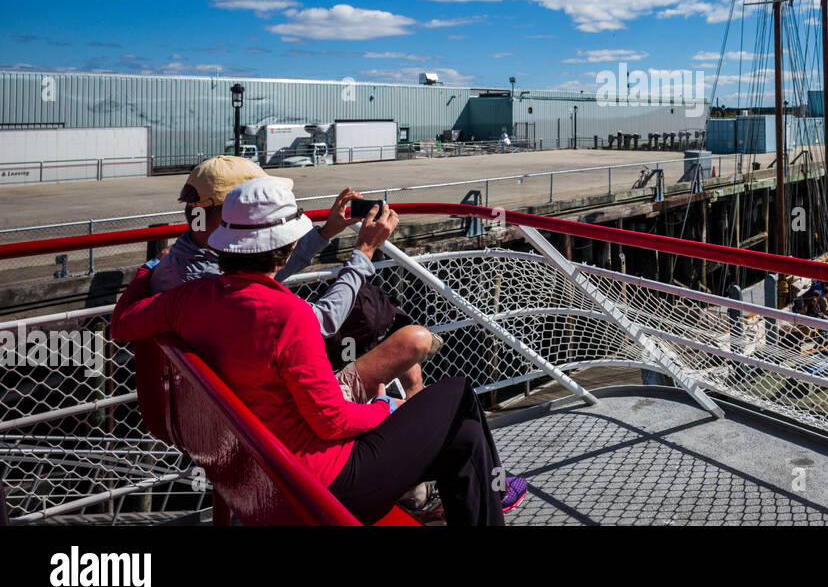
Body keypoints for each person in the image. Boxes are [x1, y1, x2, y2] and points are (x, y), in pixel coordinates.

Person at [112, 177, 525, 525]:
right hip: (321, 486)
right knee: (458, 395)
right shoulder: (288, 315)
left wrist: (147, 271)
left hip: (252, 473)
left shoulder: (191, 298)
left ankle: (488, 488)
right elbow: (330, 421)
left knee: (467, 437)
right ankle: (492, 487)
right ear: (288, 247)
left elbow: (123, 322)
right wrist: (387, 409)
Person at [154, 156, 436, 401]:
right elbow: (321, 322)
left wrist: (326, 232)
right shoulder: (212, 287)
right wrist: (364, 251)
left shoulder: (192, 261)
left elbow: (262, 266)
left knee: (376, 314)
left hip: (237, 398)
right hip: (283, 402)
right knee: (411, 341)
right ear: (230, 209)